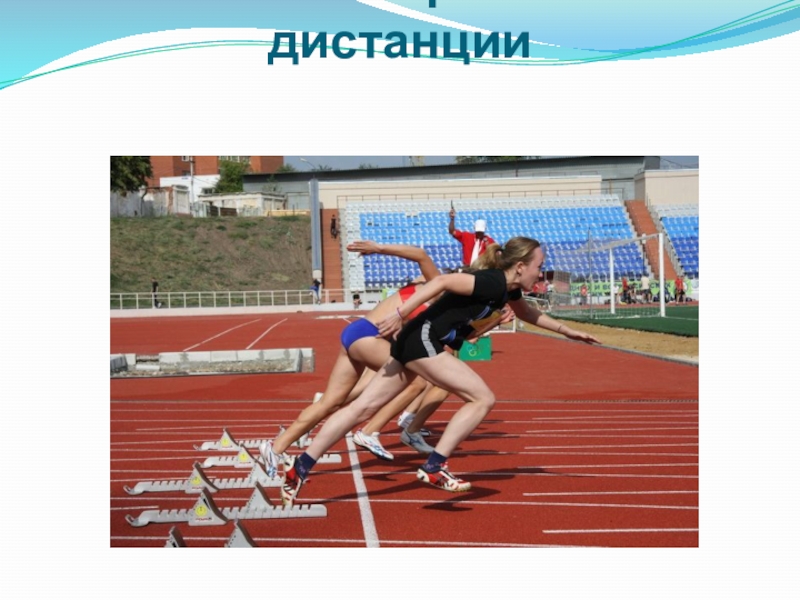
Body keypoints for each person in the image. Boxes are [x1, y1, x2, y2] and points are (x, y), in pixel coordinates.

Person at [280, 237, 601, 506]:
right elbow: (442, 281)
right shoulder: (491, 281)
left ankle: (300, 466)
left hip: (413, 340)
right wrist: (400, 313)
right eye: (538, 266)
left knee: (360, 408)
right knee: (482, 398)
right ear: (520, 266)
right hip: (421, 338)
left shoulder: (509, 291)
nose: (541, 272)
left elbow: (529, 314)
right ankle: (435, 465)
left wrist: (567, 331)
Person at [258, 240, 444, 476]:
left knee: (331, 402)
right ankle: (370, 432)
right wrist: (378, 248)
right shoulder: (438, 285)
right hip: (368, 335)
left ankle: (274, 448)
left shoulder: (439, 306)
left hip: (359, 335)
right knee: (417, 380)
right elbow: (421, 254)